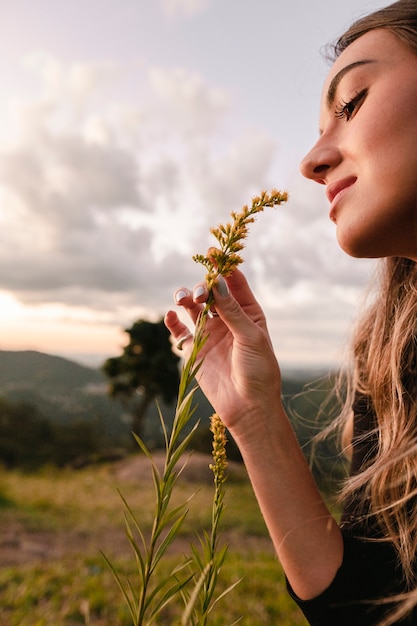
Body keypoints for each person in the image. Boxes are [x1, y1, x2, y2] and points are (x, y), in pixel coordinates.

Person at [165, 1, 417, 624]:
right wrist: (255, 417)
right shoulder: (393, 365)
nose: (311, 161)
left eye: (351, 102)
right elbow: (367, 609)